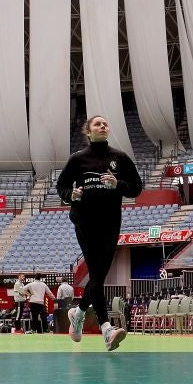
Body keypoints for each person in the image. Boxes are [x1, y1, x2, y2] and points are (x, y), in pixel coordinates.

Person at [56, 115, 143, 351]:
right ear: (89, 131)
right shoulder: (77, 159)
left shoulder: (120, 158)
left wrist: (118, 185)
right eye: (98, 124)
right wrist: (70, 195)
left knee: (98, 276)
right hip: (84, 221)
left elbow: (137, 187)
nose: (103, 126)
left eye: (106, 123)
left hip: (110, 222)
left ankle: (79, 312)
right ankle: (107, 329)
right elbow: (61, 186)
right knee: (96, 272)